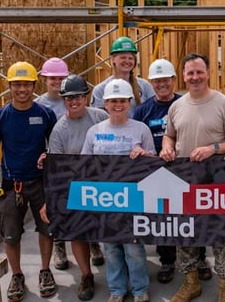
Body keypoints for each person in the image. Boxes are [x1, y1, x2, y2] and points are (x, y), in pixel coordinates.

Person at [160, 53, 225, 302]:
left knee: (222, 238)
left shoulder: (223, 104)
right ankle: (191, 284)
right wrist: (166, 146)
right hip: (184, 183)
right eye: (190, 73)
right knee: (186, 235)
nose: (195, 77)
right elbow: (170, 135)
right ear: (184, 76)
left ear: (208, 73)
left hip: (218, 184)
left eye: (199, 72)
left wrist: (213, 149)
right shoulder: (177, 106)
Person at [0, 61, 58, 302]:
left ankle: (45, 270)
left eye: (26, 84)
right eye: (17, 84)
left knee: (46, 230)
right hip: (10, 186)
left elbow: (55, 149)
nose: (22, 90)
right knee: (11, 235)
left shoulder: (45, 114)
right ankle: (17, 275)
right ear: (9, 86)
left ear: (34, 86)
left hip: (39, 184)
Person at [82, 78, 155, 302]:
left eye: (122, 100)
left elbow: (154, 161)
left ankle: (140, 288)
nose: (117, 105)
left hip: (133, 198)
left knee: (133, 247)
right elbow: (84, 165)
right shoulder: (94, 132)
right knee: (111, 247)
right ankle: (117, 289)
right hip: (105, 200)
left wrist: (143, 155)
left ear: (130, 103)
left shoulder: (141, 129)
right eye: (113, 101)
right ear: (105, 104)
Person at [38, 74, 109, 300]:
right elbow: (58, 167)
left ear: (86, 97)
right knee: (78, 231)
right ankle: (86, 275)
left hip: (105, 185)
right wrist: (51, 199)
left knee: (115, 227)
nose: (74, 102)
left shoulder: (100, 117)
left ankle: (120, 271)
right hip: (76, 187)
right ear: (63, 100)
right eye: (69, 98)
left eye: (78, 97)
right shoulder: (60, 130)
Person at [132, 58, 181, 284]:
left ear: (173, 80)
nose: (162, 84)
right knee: (163, 218)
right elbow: (135, 140)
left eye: (166, 80)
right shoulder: (143, 110)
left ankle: (199, 258)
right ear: (151, 83)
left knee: (193, 214)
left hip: (185, 168)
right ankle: (167, 260)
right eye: (157, 81)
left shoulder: (185, 104)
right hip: (156, 172)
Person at [91, 36, 155, 117]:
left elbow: (153, 112)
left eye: (130, 58)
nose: (127, 61)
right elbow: (97, 119)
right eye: (123, 57)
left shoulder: (144, 86)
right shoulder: (100, 90)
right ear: (113, 59)